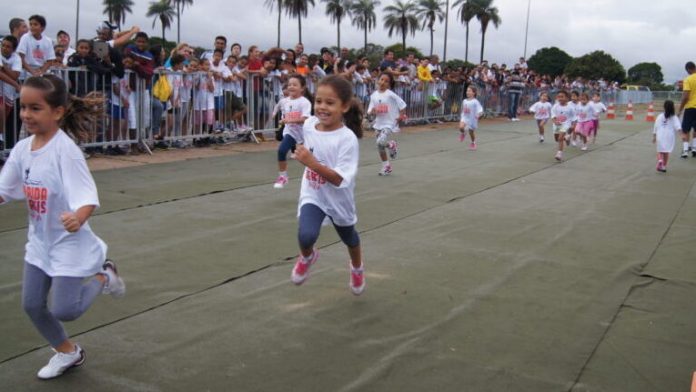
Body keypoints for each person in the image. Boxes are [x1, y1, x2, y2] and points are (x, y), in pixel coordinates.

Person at [0, 74, 125, 379]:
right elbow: (4, 189)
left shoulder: (65, 151)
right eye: (24, 107)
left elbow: (87, 197)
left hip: (70, 245)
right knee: (32, 304)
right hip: (40, 242)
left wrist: (78, 217)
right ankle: (68, 352)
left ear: (57, 111)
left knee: (65, 309)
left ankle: (104, 275)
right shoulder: (22, 149)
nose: (27, 115)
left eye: (35, 108)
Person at [290, 75, 365, 295]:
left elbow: (339, 179)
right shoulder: (309, 124)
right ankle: (308, 255)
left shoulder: (347, 139)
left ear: (344, 106)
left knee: (349, 238)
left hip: (338, 198)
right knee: (306, 236)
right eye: (319, 101)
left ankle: (357, 268)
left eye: (330, 103)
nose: (322, 107)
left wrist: (311, 163)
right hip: (314, 193)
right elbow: (308, 142)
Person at [273, 74, 312, 189]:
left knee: (308, 158)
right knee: (281, 150)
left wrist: (289, 120)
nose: (291, 87)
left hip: (305, 134)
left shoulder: (304, 102)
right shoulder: (285, 101)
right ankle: (283, 176)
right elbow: (278, 108)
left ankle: (317, 175)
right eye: (289, 84)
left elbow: (305, 119)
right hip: (291, 132)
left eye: (295, 85)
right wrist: (277, 116)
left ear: (302, 88)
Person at [368, 73, 407, 176]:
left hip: (389, 123)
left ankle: (390, 146)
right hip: (378, 123)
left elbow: (402, 105)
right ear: (378, 80)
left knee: (380, 141)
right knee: (380, 145)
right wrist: (372, 111)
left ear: (389, 84)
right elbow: (370, 109)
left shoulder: (390, 94)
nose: (383, 82)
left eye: (386, 81)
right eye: (381, 79)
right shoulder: (374, 95)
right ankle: (387, 165)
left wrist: (401, 116)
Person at [1, 35, 22, 153]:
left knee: (5, 121)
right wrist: (16, 85)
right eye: (3, 45)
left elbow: (15, 75)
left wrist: (3, 68)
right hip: (2, 93)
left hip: (8, 94)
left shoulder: (16, 58)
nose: (4, 48)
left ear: (13, 49)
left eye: (8, 47)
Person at [653, 100, 681, 173]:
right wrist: (681, 134)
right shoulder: (674, 117)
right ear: (673, 108)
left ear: (664, 107)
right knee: (666, 152)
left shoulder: (660, 116)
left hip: (660, 135)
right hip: (669, 136)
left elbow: (655, 126)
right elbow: (678, 126)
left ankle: (660, 160)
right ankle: (664, 166)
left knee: (660, 150)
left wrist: (654, 136)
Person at [551, 90, 576, 161]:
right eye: (559, 97)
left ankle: (559, 153)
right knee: (557, 139)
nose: (560, 98)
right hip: (556, 125)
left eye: (562, 97)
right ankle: (567, 138)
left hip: (565, 124)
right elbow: (553, 115)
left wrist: (573, 125)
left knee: (560, 138)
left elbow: (574, 118)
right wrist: (555, 121)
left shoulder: (570, 108)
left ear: (567, 98)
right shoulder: (555, 106)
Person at [679, 61, 696, 158]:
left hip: (690, 107)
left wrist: (680, 109)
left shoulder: (688, 79)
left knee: (685, 130)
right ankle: (694, 149)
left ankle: (685, 151)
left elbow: (685, 96)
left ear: (689, 69)